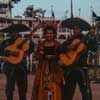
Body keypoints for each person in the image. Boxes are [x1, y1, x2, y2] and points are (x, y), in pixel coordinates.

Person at [58, 25, 98, 100]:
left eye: (78, 28)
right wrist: (68, 47)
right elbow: (59, 49)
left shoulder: (87, 39)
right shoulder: (70, 40)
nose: (76, 30)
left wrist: (93, 36)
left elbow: (94, 48)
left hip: (82, 68)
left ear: (81, 30)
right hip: (70, 69)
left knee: (86, 92)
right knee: (67, 92)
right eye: (74, 28)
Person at [0, 28, 34, 100]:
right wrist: (10, 53)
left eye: (16, 32)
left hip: (21, 67)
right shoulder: (5, 42)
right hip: (10, 67)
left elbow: (30, 50)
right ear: (10, 33)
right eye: (13, 32)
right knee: (9, 88)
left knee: (23, 88)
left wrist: (31, 41)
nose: (14, 33)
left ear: (18, 32)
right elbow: (1, 51)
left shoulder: (22, 41)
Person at [31, 25, 63, 100]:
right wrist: (38, 53)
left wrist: (53, 57)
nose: (49, 35)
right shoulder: (41, 44)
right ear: (45, 34)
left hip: (54, 69)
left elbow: (61, 56)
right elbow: (37, 56)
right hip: (42, 69)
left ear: (54, 34)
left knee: (54, 87)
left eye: (51, 33)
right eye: (47, 33)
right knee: (41, 87)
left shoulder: (58, 44)